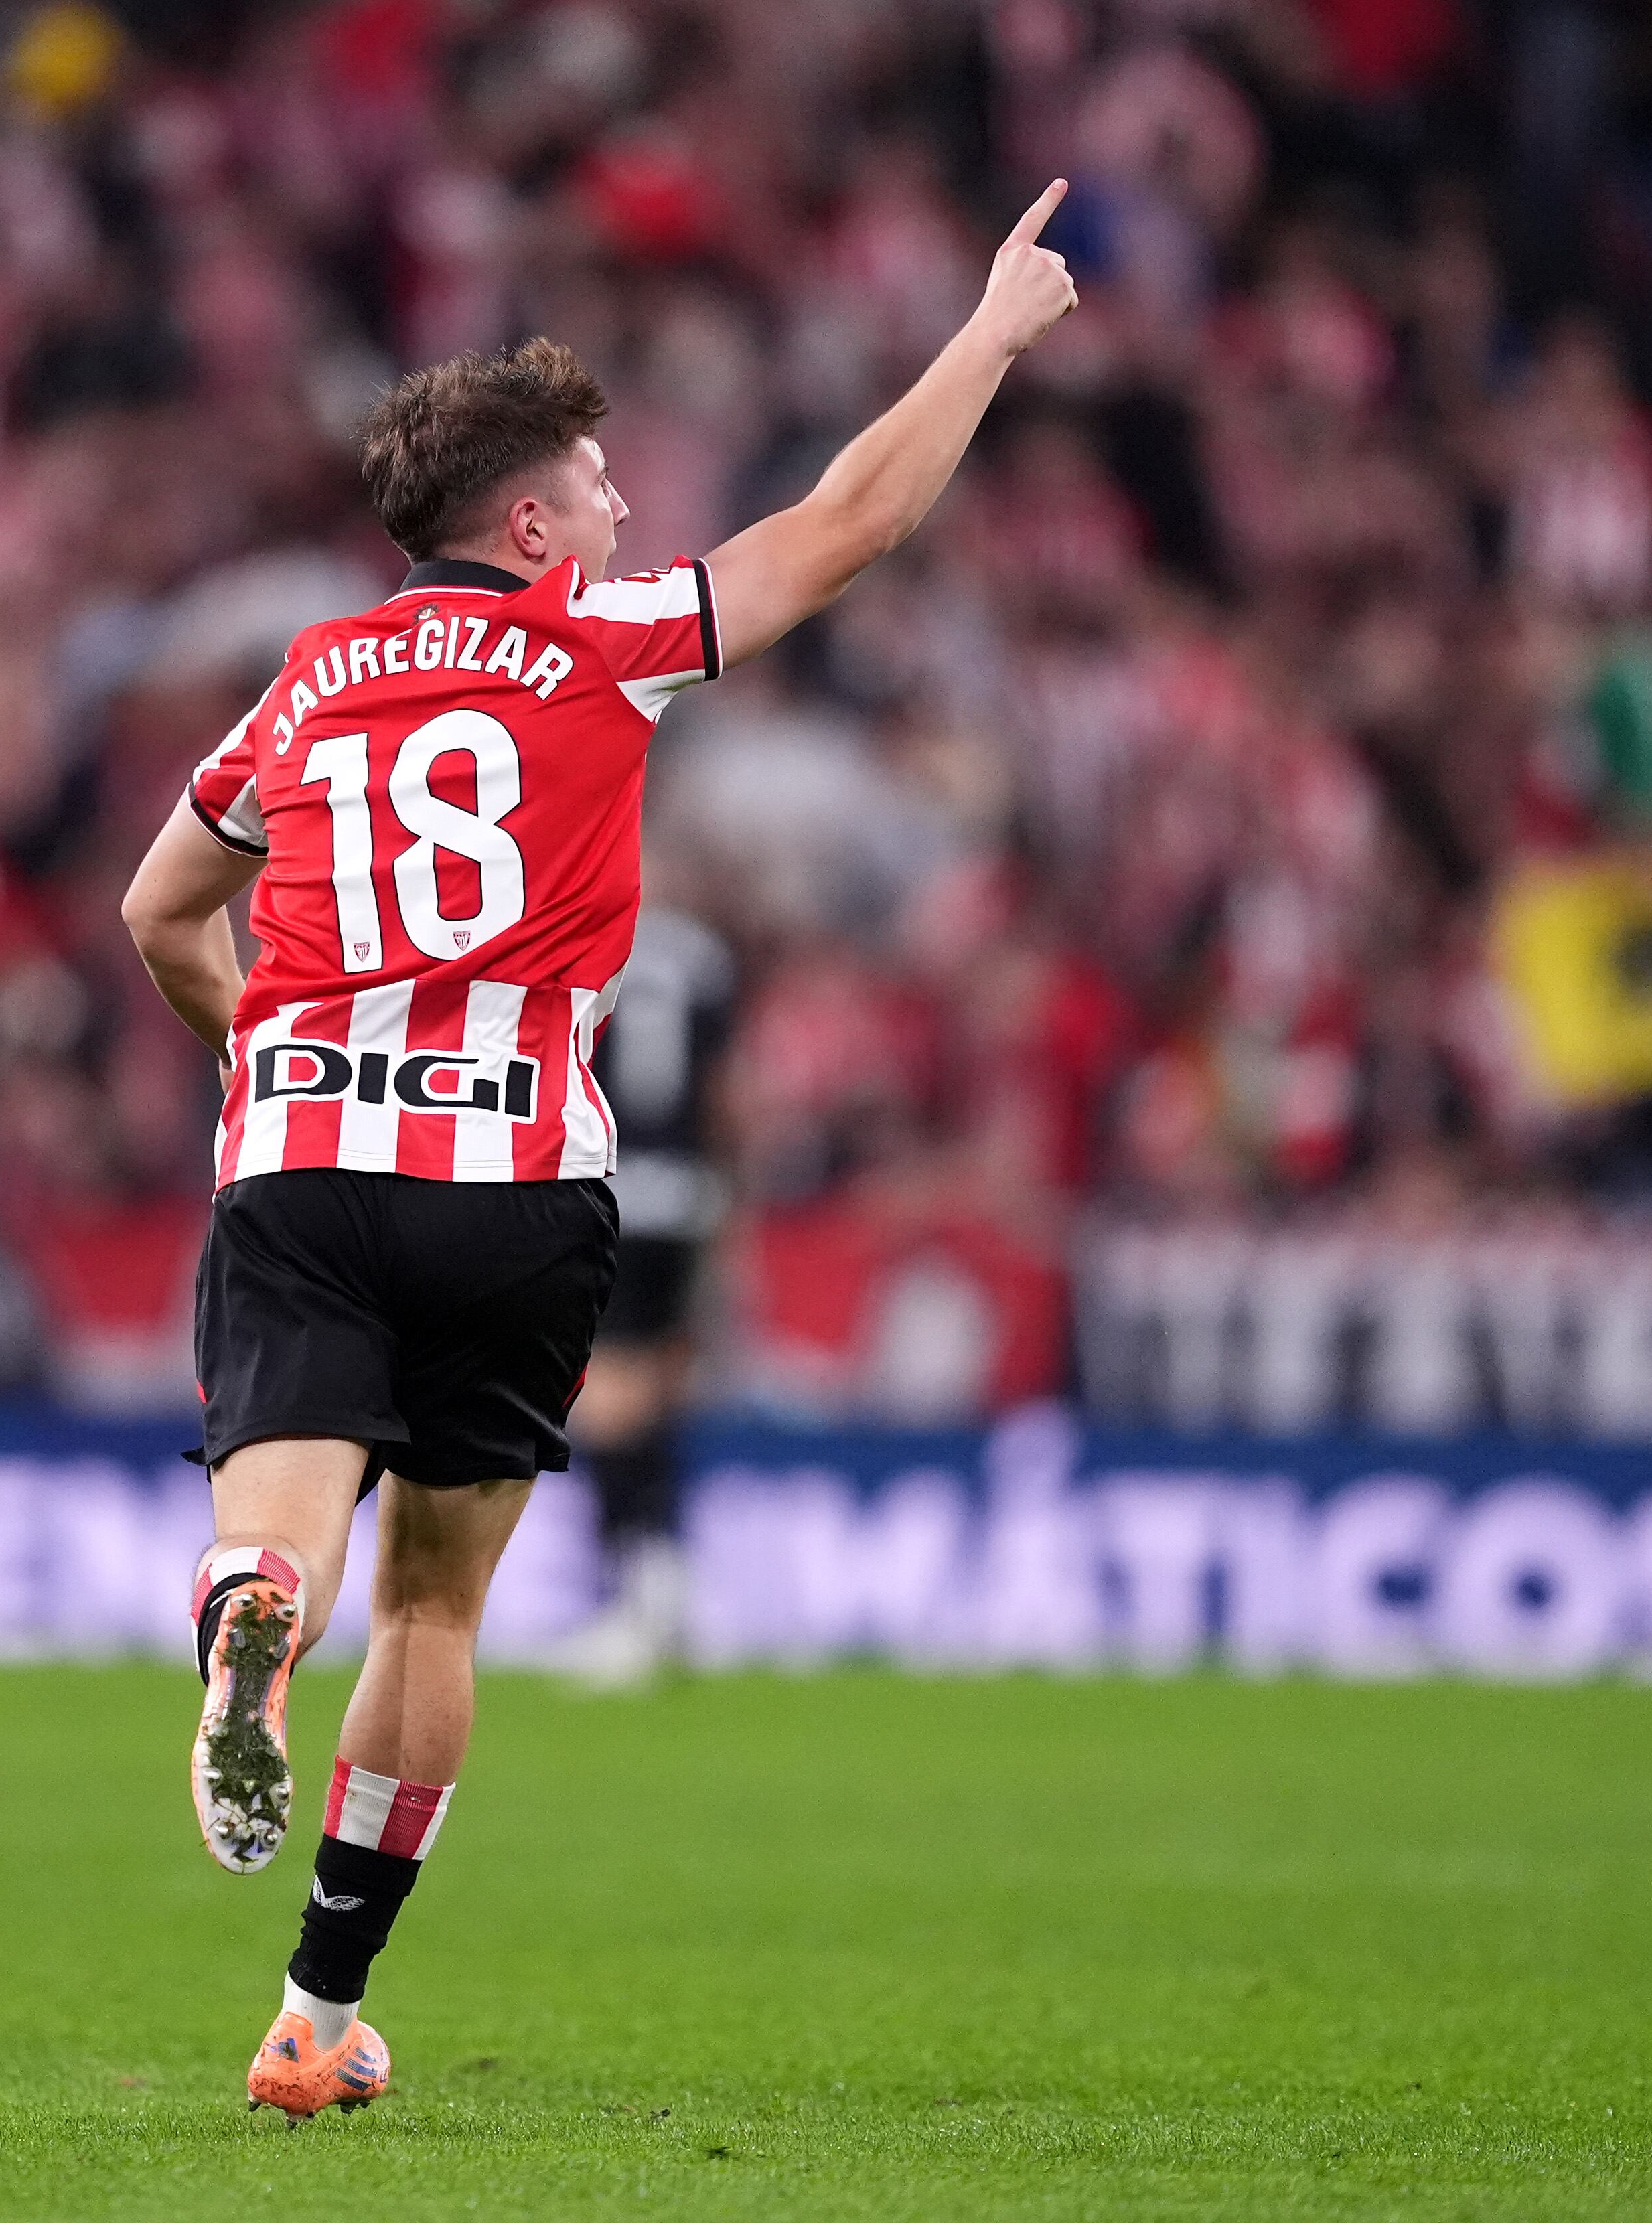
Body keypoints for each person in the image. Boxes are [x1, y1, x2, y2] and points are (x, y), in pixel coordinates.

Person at [118, 181, 1079, 2121]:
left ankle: (242, 1626)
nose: (629, 507)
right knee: (437, 1611)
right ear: (532, 528)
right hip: (519, 1183)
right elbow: (850, 523)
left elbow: (157, 912)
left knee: (284, 1547)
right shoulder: (601, 643)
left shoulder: (305, 681)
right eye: (603, 478)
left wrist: (288, 1056)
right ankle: (317, 2012)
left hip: (304, 1162)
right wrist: (987, 333)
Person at [550, 887, 733, 1689]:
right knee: (660, 1390)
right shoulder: (702, 954)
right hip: (686, 1195)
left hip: (611, 1185)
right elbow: (730, 1094)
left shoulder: (580, 939)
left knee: (608, 1397)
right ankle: (665, 1590)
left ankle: (634, 1600)